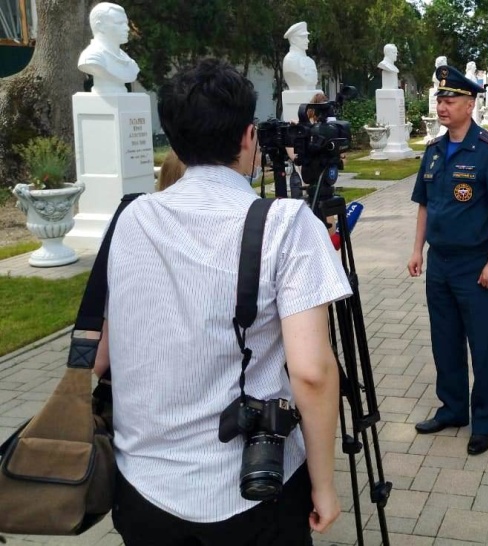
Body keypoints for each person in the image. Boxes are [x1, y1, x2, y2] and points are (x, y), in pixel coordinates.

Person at [95, 58, 351, 545]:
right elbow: (313, 372)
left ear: (173, 140)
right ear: (249, 137)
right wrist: (323, 484)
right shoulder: (287, 224)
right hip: (249, 493)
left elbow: (103, 354)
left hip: (141, 489)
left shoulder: (131, 217)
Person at [408, 65, 488, 456]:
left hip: (476, 265)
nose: (441, 105)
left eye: (449, 99)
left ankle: (484, 420)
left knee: (483, 345)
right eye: (439, 99)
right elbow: (423, 204)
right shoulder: (434, 151)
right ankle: (453, 408)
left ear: (469, 105)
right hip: (439, 263)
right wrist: (417, 249)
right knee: (445, 341)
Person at [77, 2, 139, 95]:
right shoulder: (91, 58)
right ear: (100, 26)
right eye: (120, 23)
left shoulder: (130, 63)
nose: (127, 28)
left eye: (126, 23)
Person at [282, 21, 318, 90]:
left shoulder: (310, 61)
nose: (308, 41)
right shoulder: (290, 60)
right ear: (293, 40)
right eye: (303, 37)